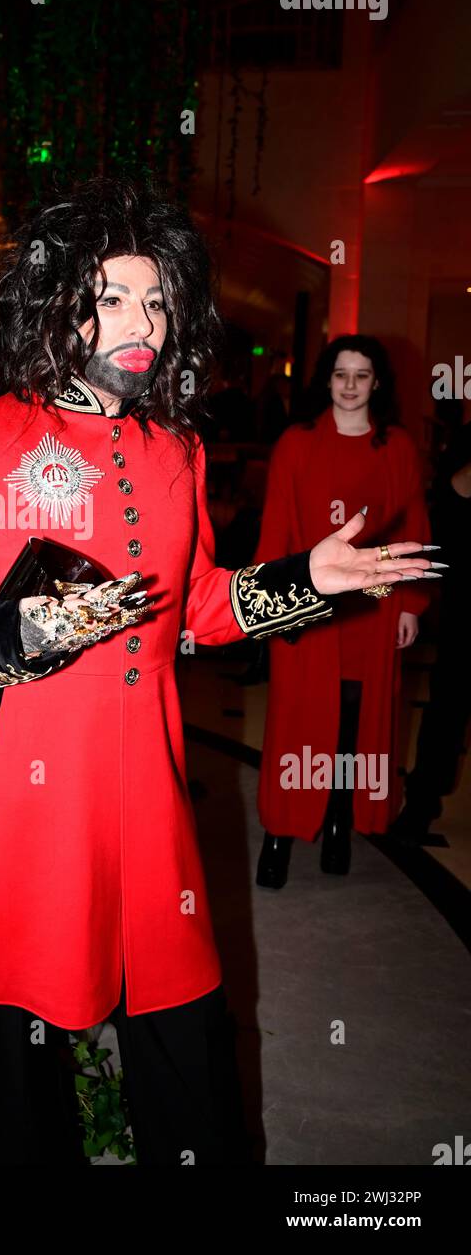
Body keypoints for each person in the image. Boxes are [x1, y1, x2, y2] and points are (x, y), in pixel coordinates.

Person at [0, 178, 436, 1165]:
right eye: (114, 296)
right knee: (28, 1059)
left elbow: (196, 606)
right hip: (22, 798)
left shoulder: (176, 449)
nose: (143, 323)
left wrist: (305, 579)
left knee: (186, 1033)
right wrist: (31, 626)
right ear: (57, 299)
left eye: (156, 300)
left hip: (146, 795)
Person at [254, 336, 437, 889]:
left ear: (377, 382)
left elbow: (413, 531)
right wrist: (273, 605)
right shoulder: (296, 442)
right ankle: (279, 833)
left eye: (362, 375)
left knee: (353, 727)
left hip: (374, 607)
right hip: (308, 604)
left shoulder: (397, 447)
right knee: (294, 723)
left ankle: (339, 818)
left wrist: (409, 604)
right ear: (326, 381)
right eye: (341, 375)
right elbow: (276, 530)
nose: (351, 385)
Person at [393, 421, 471, 843]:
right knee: (449, 704)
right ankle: (420, 806)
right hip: (464, 604)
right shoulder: (464, 442)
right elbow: (444, 515)